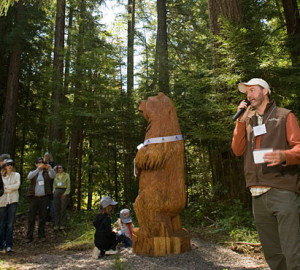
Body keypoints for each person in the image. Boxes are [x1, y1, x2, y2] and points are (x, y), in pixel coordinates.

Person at [232, 78, 300, 270]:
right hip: (257, 194)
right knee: (272, 253)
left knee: (292, 251)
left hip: (282, 190)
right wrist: (240, 123)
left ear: (265, 92)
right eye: (247, 92)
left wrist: (284, 155)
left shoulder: (285, 116)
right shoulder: (248, 121)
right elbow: (237, 151)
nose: (249, 95)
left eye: (252, 90)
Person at [25, 157, 56, 243]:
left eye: (42, 162)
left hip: (44, 198)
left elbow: (53, 175)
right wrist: (37, 169)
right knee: (31, 217)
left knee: (43, 217)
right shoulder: (33, 172)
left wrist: (50, 168)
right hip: (33, 198)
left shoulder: (47, 173)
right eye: (39, 162)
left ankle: (41, 235)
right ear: (36, 164)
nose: (41, 163)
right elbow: (29, 177)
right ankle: (29, 236)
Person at [0, 159, 20, 252]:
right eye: (8, 164)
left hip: (13, 201)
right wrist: (9, 188)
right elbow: (1, 188)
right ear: (5, 166)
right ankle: (1, 244)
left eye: (11, 164)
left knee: (10, 224)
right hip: (2, 201)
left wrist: (6, 187)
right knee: (2, 224)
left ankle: (8, 245)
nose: (10, 166)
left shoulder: (16, 175)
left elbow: (17, 186)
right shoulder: (1, 175)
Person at [53, 165, 70, 230]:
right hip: (57, 191)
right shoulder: (56, 175)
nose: (59, 169)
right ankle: (57, 224)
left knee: (63, 208)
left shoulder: (66, 175)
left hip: (64, 191)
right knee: (56, 208)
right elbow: (54, 185)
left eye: (60, 168)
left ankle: (62, 224)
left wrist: (65, 193)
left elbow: (68, 186)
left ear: (63, 168)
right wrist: (54, 192)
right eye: (58, 168)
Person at [43, 152, 55, 225]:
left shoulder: (53, 164)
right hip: (43, 185)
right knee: (44, 203)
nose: (47, 157)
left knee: (51, 202)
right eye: (45, 156)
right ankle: (45, 218)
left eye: (48, 156)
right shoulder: (42, 163)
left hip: (51, 185)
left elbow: (54, 174)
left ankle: (51, 219)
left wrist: (49, 168)